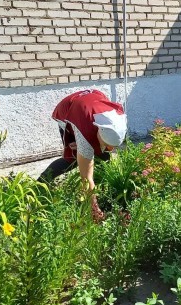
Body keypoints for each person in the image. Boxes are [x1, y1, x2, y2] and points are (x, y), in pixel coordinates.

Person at [38, 89, 128, 221]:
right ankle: (39, 184)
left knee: (103, 156)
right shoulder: (86, 133)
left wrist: (96, 145)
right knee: (73, 159)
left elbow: (105, 144)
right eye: (106, 143)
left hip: (91, 103)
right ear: (98, 132)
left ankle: (104, 191)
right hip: (68, 110)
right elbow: (86, 178)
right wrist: (95, 209)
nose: (110, 148)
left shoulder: (118, 120)